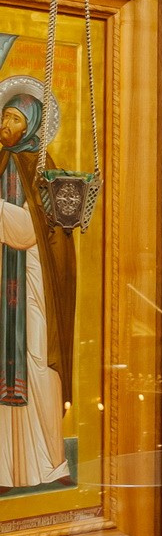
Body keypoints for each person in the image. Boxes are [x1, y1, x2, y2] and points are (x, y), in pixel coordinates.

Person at [0, 89, 73, 489]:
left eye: (14, 120)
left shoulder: (43, 169)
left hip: (32, 285)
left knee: (39, 363)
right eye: (4, 118)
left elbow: (31, 232)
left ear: (30, 127)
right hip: (1, 288)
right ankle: (6, 470)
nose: (6, 126)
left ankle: (49, 465)